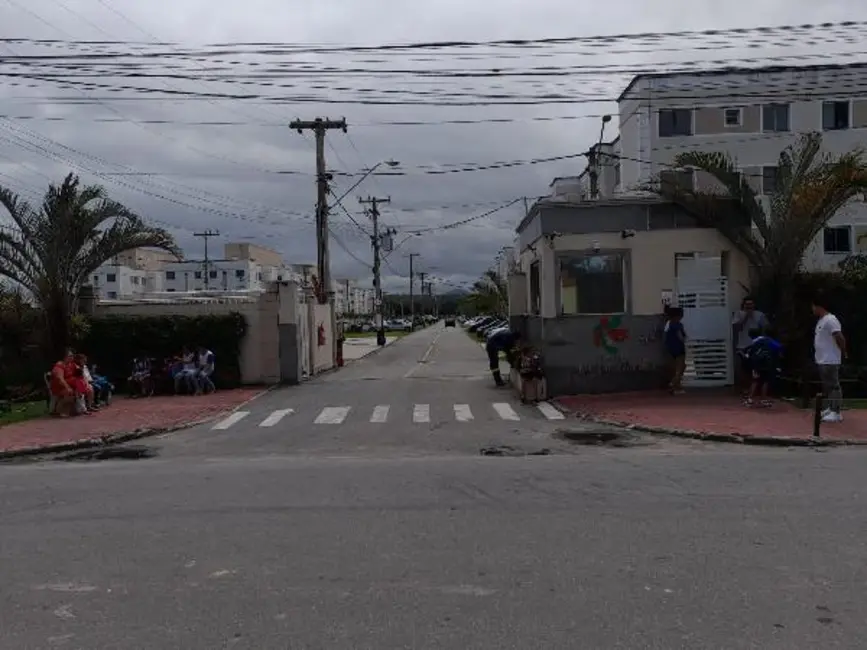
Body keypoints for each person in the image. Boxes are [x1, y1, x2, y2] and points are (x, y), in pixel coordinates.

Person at [812, 295, 846, 423]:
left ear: (819, 306)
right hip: (822, 359)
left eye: (813, 306)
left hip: (830, 359)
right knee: (827, 386)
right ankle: (831, 408)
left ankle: (836, 412)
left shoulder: (831, 320)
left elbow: (839, 336)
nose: (813, 309)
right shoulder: (822, 320)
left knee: (833, 386)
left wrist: (843, 351)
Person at [732, 297, 769, 395]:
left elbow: (765, 327)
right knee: (743, 368)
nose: (749, 306)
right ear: (743, 305)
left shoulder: (759, 314)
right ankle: (744, 387)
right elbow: (736, 328)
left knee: (755, 368)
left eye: (751, 304)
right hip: (743, 345)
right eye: (747, 304)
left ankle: (755, 388)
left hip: (755, 345)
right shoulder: (739, 314)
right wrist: (746, 317)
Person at [742, 328, 783, 408]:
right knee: (765, 381)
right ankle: (763, 399)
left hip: (757, 364)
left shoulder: (755, 343)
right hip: (767, 364)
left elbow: (750, 355)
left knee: (755, 381)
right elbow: (778, 347)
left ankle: (750, 399)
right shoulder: (768, 340)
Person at [664, 306, 687, 394]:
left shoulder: (668, 324)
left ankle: (677, 386)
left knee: (678, 367)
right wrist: (684, 340)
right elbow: (680, 336)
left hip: (671, 349)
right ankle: (673, 383)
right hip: (679, 348)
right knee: (680, 367)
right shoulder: (677, 325)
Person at [48, 349, 76, 417]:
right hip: (58, 387)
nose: (72, 357)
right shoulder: (59, 365)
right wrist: (68, 387)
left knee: (78, 389)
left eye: (72, 356)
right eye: (70, 356)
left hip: (66, 386)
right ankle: (58, 410)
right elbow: (60, 379)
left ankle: (70, 410)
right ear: (65, 357)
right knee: (69, 392)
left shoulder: (71, 365)